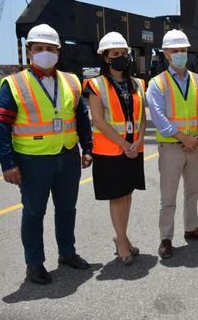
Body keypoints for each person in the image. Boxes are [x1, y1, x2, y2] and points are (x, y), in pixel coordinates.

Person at [0, 24, 93, 285]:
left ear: (58, 52)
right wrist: (7, 162)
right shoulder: (14, 84)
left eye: (50, 49)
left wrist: (88, 148)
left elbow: (81, 117)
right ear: (29, 52)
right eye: (39, 49)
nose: (44, 53)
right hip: (32, 160)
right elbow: (0, 124)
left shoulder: (71, 81)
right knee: (34, 212)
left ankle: (67, 253)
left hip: (68, 155)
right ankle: (34, 264)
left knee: (67, 209)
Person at [147, 29, 198, 259]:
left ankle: (191, 227)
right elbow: (158, 117)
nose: (180, 54)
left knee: (193, 190)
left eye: (183, 50)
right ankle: (166, 238)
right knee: (168, 196)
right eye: (175, 51)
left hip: (194, 145)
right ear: (166, 54)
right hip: (171, 147)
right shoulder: (157, 83)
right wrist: (184, 138)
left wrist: (195, 136)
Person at [83, 32, 146, 265]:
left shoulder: (138, 84)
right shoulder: (95, 85)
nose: (121, 58)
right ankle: (121, 241)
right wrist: (124, 144)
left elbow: (141, 117)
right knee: (117, 197)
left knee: (127, 195)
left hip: (133, 148)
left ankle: (122, 236)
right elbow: (98, 120)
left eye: (124, 53)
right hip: (111, 151)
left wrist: (137, 141)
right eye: (116, 54)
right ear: (106, 58)